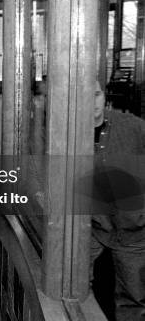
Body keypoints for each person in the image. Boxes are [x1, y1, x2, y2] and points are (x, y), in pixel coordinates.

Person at [90, 80, 145, 321]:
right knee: (72, 286)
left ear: (104, 96)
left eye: (96, 94)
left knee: (133, 299)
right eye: (84, 96)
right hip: (90, 228)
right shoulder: (65, 135)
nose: (92, 103)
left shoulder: (133, 127)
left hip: (134, 227)